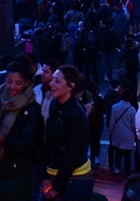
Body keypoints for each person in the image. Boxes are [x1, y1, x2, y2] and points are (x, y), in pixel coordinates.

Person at [0, 60, 42, 201]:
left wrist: (2, 138)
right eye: (9, 81)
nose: (12, 87)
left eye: (18, 83)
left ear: (26, 83)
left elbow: (28, 146)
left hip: (18, 170)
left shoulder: (32, 109)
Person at [42, 64, 94, 201]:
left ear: (70, 86)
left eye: (57, 81)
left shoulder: (76, 115)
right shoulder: (54, 104)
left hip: (75, 179)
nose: (51, 84)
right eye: (52, 79)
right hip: (54, 171)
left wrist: (56, 186)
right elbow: (50, 143)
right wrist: (46, 176)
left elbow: (72, 155)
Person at [107, 89, 137, 176]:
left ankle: (117, 168)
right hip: (128, 134)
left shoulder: (114, 107)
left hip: (117, 132)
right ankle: (126, 170)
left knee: (118, 152)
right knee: (127, 153)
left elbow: (112, 122)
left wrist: (110, 132)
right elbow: (133, 124)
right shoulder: (132, 110)